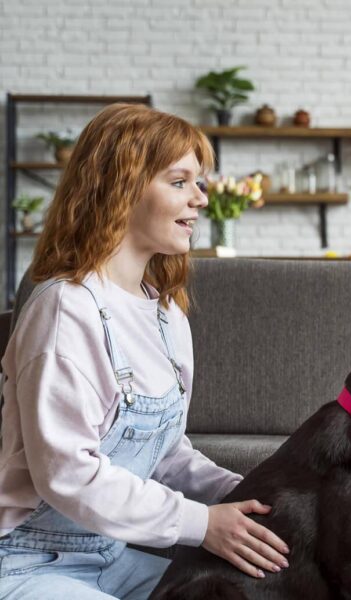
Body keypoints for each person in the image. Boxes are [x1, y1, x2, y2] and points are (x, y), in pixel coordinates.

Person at [0, 103, 290, 599]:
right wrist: (202, 524)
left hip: (113, 558)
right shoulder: (65, 309)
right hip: (28, 562)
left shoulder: (167, 314)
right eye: (179, 182)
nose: (200, 198)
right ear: (121, 188)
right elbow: (67, 474)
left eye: (199, 182)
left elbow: (164, 455)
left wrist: (254, 495)